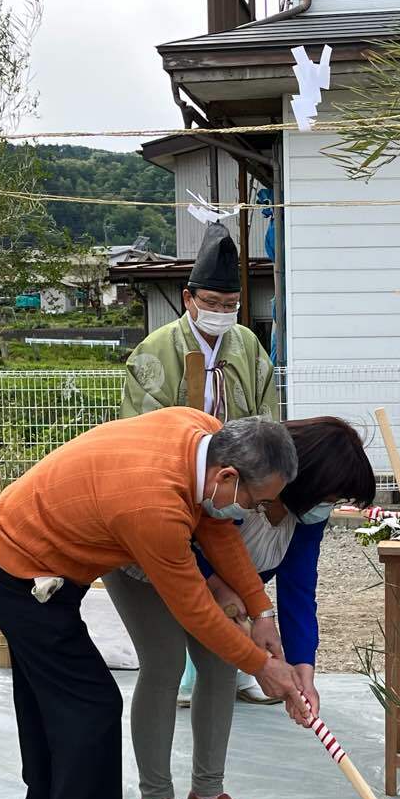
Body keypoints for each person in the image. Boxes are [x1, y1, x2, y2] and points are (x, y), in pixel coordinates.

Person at [0, 411, 308, 799]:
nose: (254, 513)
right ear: (228, 476)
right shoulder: (152, 504)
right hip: (20, 570)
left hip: (33, 555)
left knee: (48, 698)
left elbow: (217, 532)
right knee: (90, 707)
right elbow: (195, 609)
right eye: (255, 503)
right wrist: (263, 666)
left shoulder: (201, 434)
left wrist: (261, 611)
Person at [104, 416, 376, 799]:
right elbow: (184, 546)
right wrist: (222, 592)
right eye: (330, 496)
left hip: (222, 587)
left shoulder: (306, 515)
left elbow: (299, 586)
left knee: (221, 665)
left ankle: (207, 794)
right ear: (298, 482)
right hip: (148, 566)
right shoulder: (239, 486)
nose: (331, 506)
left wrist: (302, 665)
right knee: (165, 661)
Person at [119, 221, 279, 706]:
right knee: (183, 571)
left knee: (241, 567)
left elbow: (266, 410)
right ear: (189, 299)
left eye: (230, 306)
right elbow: (139, 427)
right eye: (211, 303)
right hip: (179, 477)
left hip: (235, 479)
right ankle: (192, 670)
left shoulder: (247, 345)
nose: (221, 313)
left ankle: (240, 664)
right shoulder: (156, 349)